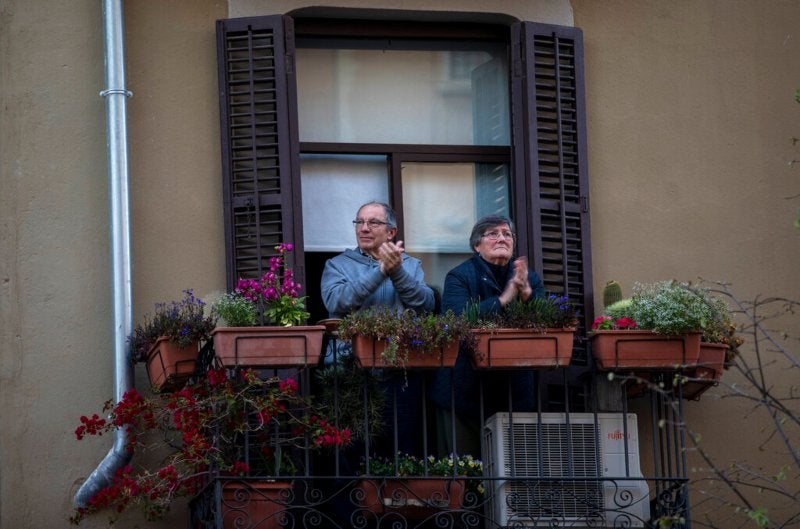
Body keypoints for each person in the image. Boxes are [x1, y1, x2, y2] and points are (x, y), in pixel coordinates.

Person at [433, 214, 545, 456]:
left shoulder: (529, 278)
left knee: (514, 467)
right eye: (493, 234)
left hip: (514, 392)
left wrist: (526, 292)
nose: (502, 238)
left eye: (507, 234)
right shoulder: (460, 276)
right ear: (476, 245)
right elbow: (457, 320)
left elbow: (547, 323)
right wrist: (504, 299)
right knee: (465, 471)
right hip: (463, 391)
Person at [321, 201, 435, 318]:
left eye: (374, 223)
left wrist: (397, 272)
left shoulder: (411, 264)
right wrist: (381, 272)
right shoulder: (337, 265)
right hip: (354, 337)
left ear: (390, 232)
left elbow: (427, 305)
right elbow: (334, 303)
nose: (364, 228)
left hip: (400, 336)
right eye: (359, 222)